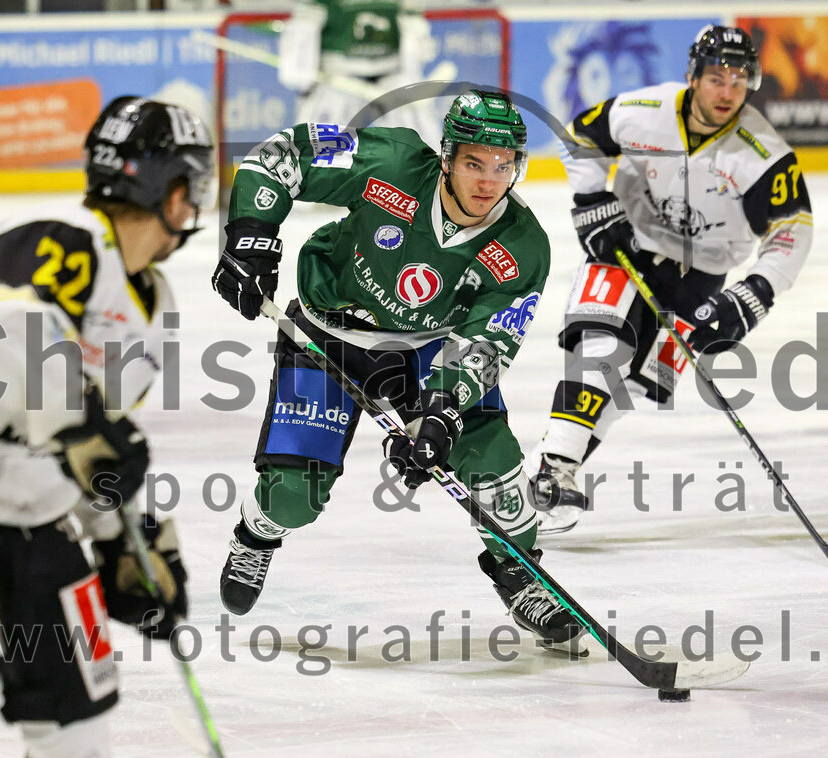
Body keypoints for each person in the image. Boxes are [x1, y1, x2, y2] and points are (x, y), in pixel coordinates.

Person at [211, 89, 587, 657]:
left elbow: (488, 341)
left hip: (428, 350)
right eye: (473, 163)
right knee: (293, 498)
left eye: (504, 165)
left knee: (497, 470)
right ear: (445, 157)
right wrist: (250, 237)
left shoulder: (522, 244)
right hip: (326, 334)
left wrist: (441, 415)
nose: (489, 181)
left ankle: (519, 572)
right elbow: (283, 156)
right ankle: (255, 536)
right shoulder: (387, 163)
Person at [0, 96, 211, 757]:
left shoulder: (152, 300)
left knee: (78, 734)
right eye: (190, 184)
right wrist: (85, 430)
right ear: (165, 187)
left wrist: (124, 540)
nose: (194, 201)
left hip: (39, 523)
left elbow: (96, 446)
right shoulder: (59, 235)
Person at [528, 24, 813, 533]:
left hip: (701, 276)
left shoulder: (763, 154)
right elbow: (578, 139)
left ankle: (549, 468)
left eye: (739, 79)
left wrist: (756, 291)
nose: (727, 91)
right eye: (716, 77)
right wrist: (594, 202)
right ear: (693, 76)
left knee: (636, 385)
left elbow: (792, 232)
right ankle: (555, 470)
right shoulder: (644, 111)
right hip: (625, 248)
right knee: (600, 348)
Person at [278, 0, 439, 139]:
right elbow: (303, 29)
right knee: (314, 147)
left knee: (419, 139)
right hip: (338, 81)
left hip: (390, 76)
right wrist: (303, 74)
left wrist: (411, 72)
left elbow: (413, 28)